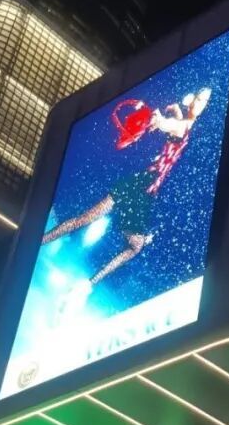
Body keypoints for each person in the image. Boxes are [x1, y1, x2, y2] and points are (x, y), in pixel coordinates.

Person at [41, 87, 212, 292]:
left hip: (143, 187)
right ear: (192, 100)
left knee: (120, 238)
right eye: (199, 99)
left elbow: (176, 124)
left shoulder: (185, 123)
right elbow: (170, 126)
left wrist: (173, 109)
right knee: (109, 232)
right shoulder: (180, 125)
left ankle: (81, 275)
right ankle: (86, 281)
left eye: (205, 101)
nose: (201, 104)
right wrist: (159, 120)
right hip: (141, 187)